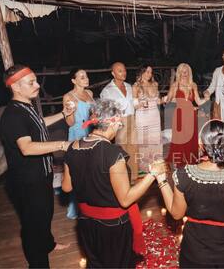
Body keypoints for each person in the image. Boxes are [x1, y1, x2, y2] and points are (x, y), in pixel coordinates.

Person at [62, 99, 165, 268]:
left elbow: (67, 187)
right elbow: (125, 199)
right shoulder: (112, 154)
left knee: (96, 264)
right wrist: (152, 174)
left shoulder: (72, 147)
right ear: (114, 122)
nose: (119, 127)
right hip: (112, 226)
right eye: (119, 124)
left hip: (86, 222)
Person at [156, 119, 224, 268]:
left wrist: (161, 180)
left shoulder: (184, 175)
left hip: (196, 252)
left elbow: (176, 214)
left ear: (200, 144)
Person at [0, 64, 73, 268]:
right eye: (31, 82)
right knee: (33, 225)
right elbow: (27, 148)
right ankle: (39, 263)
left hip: (42, 174)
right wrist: (62, 144)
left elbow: (38, 123)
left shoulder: (25, 107)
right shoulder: (12, 115)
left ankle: (48, 244)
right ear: (15, 87)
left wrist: (62, 114)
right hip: (27, 181)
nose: (38, 85)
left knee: (45, 214)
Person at [62, 68, 95, 219]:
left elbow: (93, 115)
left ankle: (91, 203)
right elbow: (70, 123)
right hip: (77, 134)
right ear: (73, 80)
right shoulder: (68, 96)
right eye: (82, 76)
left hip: (91, 133)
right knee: (78, 172)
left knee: (92, 170)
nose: (86, 78)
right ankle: (76, 207)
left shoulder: (90, 94)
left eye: (86, 75)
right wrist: (70, 111)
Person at [100, 62, 139, 182]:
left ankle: (134, 176)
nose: (124, 73)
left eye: (124, 70)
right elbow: (105, 110)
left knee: (133, 148)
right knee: (121, 150)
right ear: (113, 73)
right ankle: (123, 178)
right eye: (120, 71)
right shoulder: (107, 91)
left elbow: (133, 104)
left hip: (131, 119)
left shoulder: (128, 86)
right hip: (118, 122)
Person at [165, 63, 208, 167]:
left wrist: (206, 98)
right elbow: (168, 100)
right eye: (182, 72)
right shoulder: (175, 85)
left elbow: (198, 101)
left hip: (191, 116)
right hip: (179, 115)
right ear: (179, 73)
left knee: (190, 139)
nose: (184, 74)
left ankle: (190, 160)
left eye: (186, 72)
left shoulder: (193, 85)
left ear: (189, 73)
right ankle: (179, 162)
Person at [132, 66, 163, 172]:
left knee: (155, 140)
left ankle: (156, 163)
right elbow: (134, 105)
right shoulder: (136, 86)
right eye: (147, 72)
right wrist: (141, 103)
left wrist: (163, 100)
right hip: (142, 117)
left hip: (155, 116)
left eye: (151, 72)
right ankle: (145, 167)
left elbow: (158, 101)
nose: (149, 74)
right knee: (144, 141)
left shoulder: (155, 84)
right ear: (141, 72)